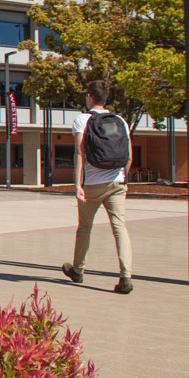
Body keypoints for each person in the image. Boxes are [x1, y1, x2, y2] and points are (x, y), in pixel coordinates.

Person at [61, 79, 134, 294]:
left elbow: (79, 153)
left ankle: (78, 270)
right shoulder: (120, 119)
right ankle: (126, 276)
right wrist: (123, 178)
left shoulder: (82, 120)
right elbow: (128, 155)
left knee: (85, 228)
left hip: (92, 184)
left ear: (89, 96)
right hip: (117, 181)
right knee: (119, 228)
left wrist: (78, 185)